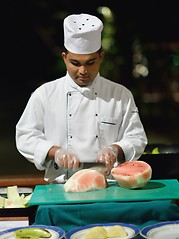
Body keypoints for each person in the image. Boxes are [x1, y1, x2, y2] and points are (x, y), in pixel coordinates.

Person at [15, 13, 148, 183]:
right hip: (60, 184)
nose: (83, 70)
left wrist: (115, 150)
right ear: (64, 58)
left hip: (109, 184)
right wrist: (55, 151)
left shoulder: (120, 94)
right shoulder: (44, 94)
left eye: (90, 62)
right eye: (75, 63)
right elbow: (25, 136)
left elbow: (136, 137)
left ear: (101, 57)